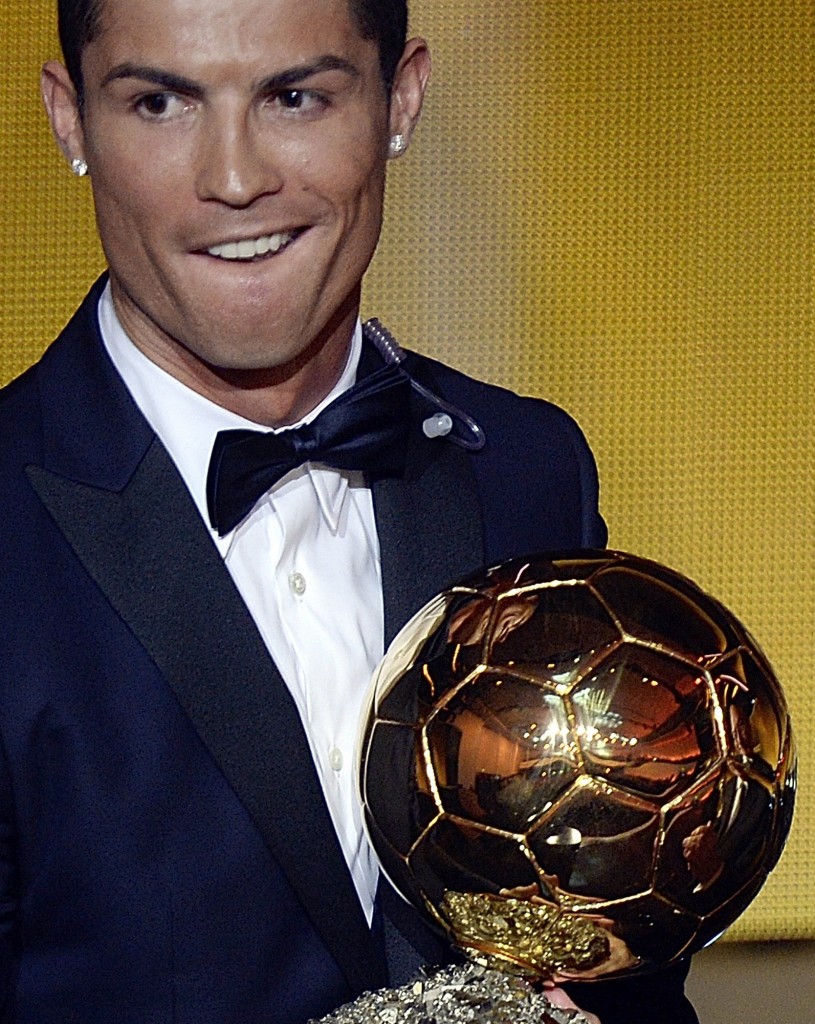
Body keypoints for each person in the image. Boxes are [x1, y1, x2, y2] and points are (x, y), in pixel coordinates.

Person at [0, 0, 697, 1021]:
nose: (233, 178)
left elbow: (621, 941)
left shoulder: (526, 468)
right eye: (159, 102)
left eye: (293, 96)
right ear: (70, 120)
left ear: (398, 100)